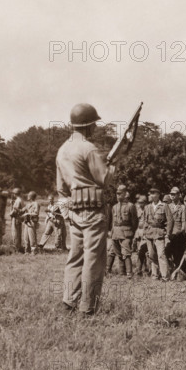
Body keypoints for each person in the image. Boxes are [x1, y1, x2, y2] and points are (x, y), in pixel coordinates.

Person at [56, 103, 115, 314]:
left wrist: (66, 214)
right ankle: (88, 307)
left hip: (75, 210)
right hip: (93, 211)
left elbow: (61, 189)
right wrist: (114, 165)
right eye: (94, 124)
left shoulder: (62, 150)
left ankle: (69, 301)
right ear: (89, 126)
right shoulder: (88, 148)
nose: (96, 128)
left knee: (75, 256)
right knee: (94, 259)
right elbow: (104, 179)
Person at [107, 185, 138, 278]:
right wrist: (111, 231)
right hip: (115, 232)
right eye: (117, 194)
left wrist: (131, 232)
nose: (118, 196)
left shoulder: (130, 206)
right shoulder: (114, 207)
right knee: (115, 252)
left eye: (120, 194)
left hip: (126, 232)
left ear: (125, 194)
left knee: (126, 253)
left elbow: (134, 222)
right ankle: (116, 271)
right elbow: (112, 221)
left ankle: (129, 273)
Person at [144, 187, 173, 281]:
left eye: (153, 193)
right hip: (149, 233)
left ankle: (165, 276)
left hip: (160, 233)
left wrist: (168, 234)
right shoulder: (147, 207)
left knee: (161, 254)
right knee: (152, 255)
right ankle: (155, 275)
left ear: (158, 195)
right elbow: (145, 221)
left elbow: (170, 221)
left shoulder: (164, 206)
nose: (151, 195)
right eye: (150, 194)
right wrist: (144, 232)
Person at [167, 186, 186, 272]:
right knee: (168, 253)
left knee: (179, 253)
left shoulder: (183, 207)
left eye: (174, 194)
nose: (172, 196)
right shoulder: (167, 206)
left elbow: (184, 223)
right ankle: (171, 270)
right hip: (169, 233)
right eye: (171, 194)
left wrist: (180, 232)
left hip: (178, 234)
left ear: (179, 195)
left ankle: (181, 272)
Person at [133, 194, 150, 276]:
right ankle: (139, 270)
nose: (140, 204)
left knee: (147, 252)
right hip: (139, 231)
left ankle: (147, 270)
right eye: (139, 202)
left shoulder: (148, 209)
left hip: (146, 231)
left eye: (142, 202)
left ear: (145, 202)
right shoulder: (137, 209)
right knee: (139, 251)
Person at [10, 188, 25, 252]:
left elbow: (14, 211)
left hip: (16, 218)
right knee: (18, 233)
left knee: (15, 233)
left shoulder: (18, 201)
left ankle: (16, 248)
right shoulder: (21, 200)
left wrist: (11, 213)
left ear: (14, 194)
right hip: (19, 218)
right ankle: (18, 246)